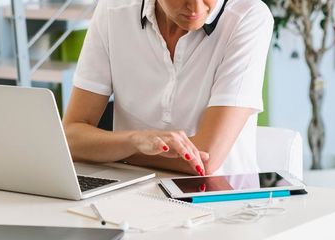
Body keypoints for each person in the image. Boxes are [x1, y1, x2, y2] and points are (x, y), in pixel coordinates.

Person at [62, 0, 273, 176]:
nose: (197, 8)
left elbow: (205, 159)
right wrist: (135, 141)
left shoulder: (248, 17)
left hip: (223, 204)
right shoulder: (113, 10)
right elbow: (70, 138)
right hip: (129, 194)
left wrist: (112, 149)